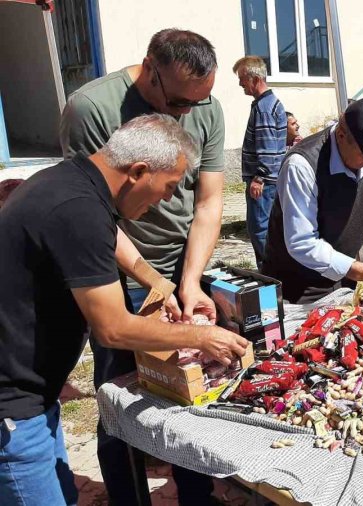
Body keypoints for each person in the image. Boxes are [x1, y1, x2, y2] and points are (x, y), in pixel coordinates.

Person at [0, 115, 250, 506]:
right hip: (12, 401)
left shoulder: (73, 181)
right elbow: (113, 330)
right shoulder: (77, 209)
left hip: (35, 391)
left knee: (63, 495)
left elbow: (108, 233)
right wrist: (202, 336)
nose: (166, 200)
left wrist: (157, 281)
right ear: (137, 171)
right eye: (168, 187)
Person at [58, 28, 225, 505]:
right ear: (150, 68)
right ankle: (128, 496)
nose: (188, 113)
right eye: (178, 103)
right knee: (121, 397)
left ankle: (194, 493)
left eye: (199, 102)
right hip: (111, 269)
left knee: (189, 394)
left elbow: (209, 202)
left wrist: (189, 281)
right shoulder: (92, 108)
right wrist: (148, 279)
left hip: (181, 262)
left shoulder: (202, 104)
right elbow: (90, 211)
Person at [263, 97, 363, 303]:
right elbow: (302, 242)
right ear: (341, 135)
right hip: (296, 291)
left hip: (344, 279)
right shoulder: (301, 165)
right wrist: (362, 271)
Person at [233, 56, 287, 267]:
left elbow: (266, 146)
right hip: (272, 179)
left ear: (254, 78)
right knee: (269, 228)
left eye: (242, 79)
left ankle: (270, 273)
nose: (240, 84)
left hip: (264, 182)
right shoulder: (269, 103)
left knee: (259, 228)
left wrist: (259, 177)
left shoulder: (264, 108)